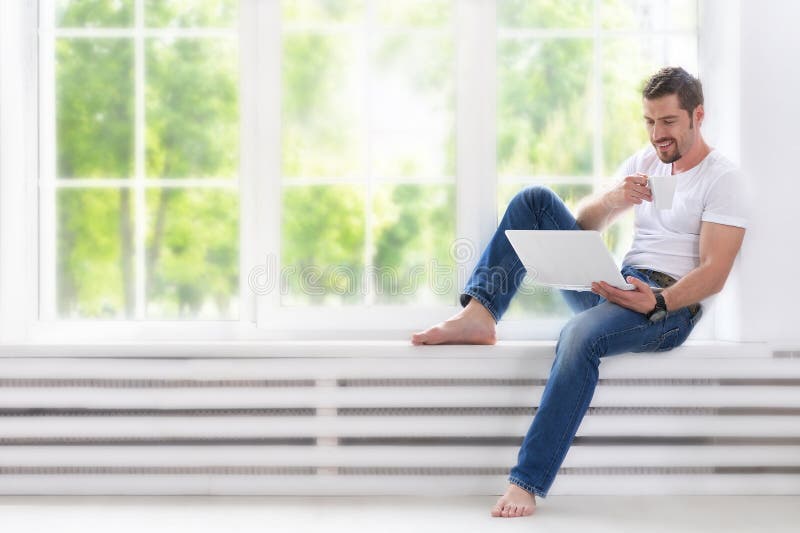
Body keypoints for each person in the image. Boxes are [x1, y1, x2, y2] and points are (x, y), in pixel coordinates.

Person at [411, 66, 748, 518]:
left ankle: (526, 483)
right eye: (649, 121)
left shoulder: (721, 178)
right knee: (532, 200)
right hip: (620, 283)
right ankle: (480, 313)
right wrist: (613, 199)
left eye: (667, 122)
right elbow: (586, 226)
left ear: (697, 116)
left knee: (578, 335)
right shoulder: (644, 163)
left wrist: (660, 300)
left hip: (668, 306)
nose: (657, 134)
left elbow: (715, 271)